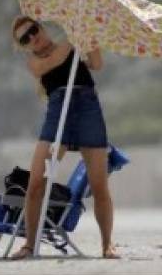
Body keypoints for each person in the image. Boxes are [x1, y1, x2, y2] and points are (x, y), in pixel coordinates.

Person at [9, 16, 118, 260]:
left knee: (99, 185)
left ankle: (107, 244)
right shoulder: (35, 62)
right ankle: (29, 244)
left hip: (87, 107)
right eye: (25, 38)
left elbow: (97, 64)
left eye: (33, 30)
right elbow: (56, 61)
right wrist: (73, 38)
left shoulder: (72, 44)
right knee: (36, 182)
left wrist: (88, 39)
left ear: (42, 28)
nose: (33, 38)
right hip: (58, 111)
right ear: (25, 46)